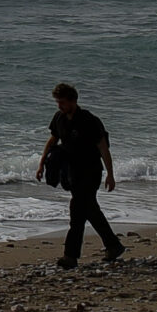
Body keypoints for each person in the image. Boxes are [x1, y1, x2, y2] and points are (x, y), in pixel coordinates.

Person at [37, 82, 123, 268]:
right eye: (57, 102)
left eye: (62, 102)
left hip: (91, 172)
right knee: (91, 211)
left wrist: (110, 174)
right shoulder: (59, 118)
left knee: (77, 212)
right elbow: (53, 140)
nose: (59, 106)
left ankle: (70, 256)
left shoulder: (89, 120)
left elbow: (103, 147)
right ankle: (113, 245)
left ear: (73, 101)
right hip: (71, 172)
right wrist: (42, 163)